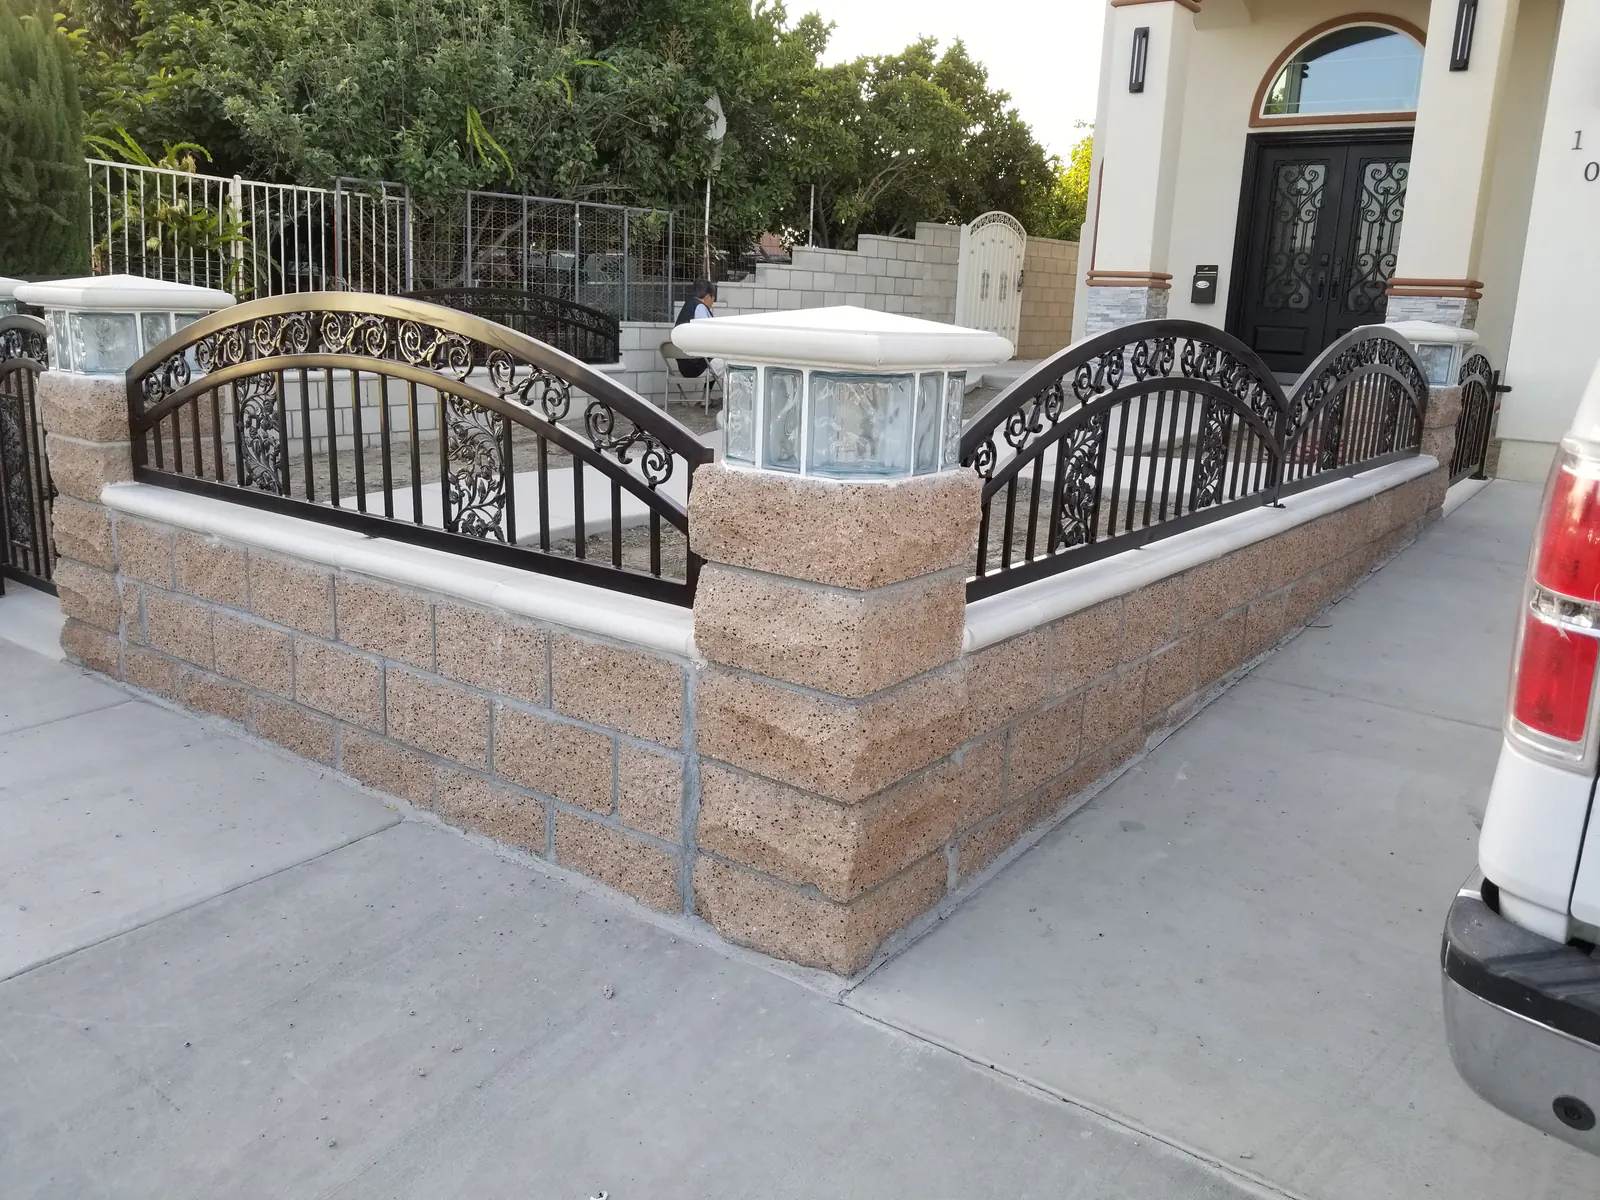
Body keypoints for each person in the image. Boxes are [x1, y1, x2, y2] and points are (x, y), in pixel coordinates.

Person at [672, 279, 724, 380]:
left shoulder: (687, 306)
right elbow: (707, 336)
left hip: (683, 368)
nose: (712, 303)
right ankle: (710, 390)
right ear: (708, 297)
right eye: (713, 299)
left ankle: (706, 390)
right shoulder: (700, 307)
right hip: (697, 367)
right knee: (729, 362)